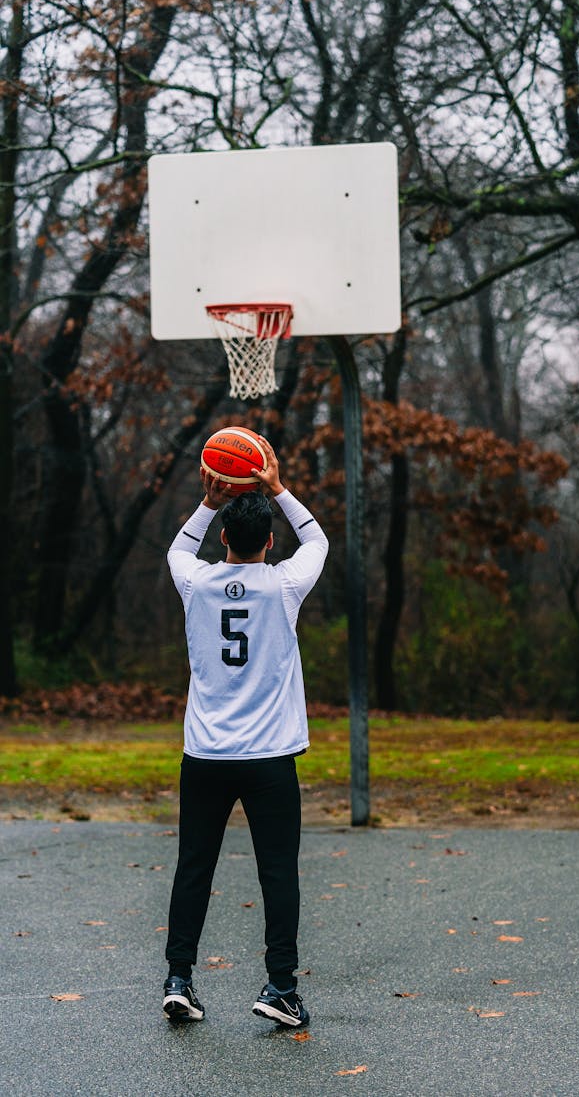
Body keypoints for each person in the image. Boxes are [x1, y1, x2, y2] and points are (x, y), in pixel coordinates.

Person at [161, 436, 328, 1028]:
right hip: (269, 758)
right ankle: (280, 987)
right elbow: (318, 539)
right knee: (278, 871)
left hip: (205, 753)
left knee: (194, 866)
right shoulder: (284, 586)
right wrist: (276, 486)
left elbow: (179, 547)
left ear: (225, 538)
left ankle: (179, 978)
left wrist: (210, 500)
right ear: (270, 542)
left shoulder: (196, 583)